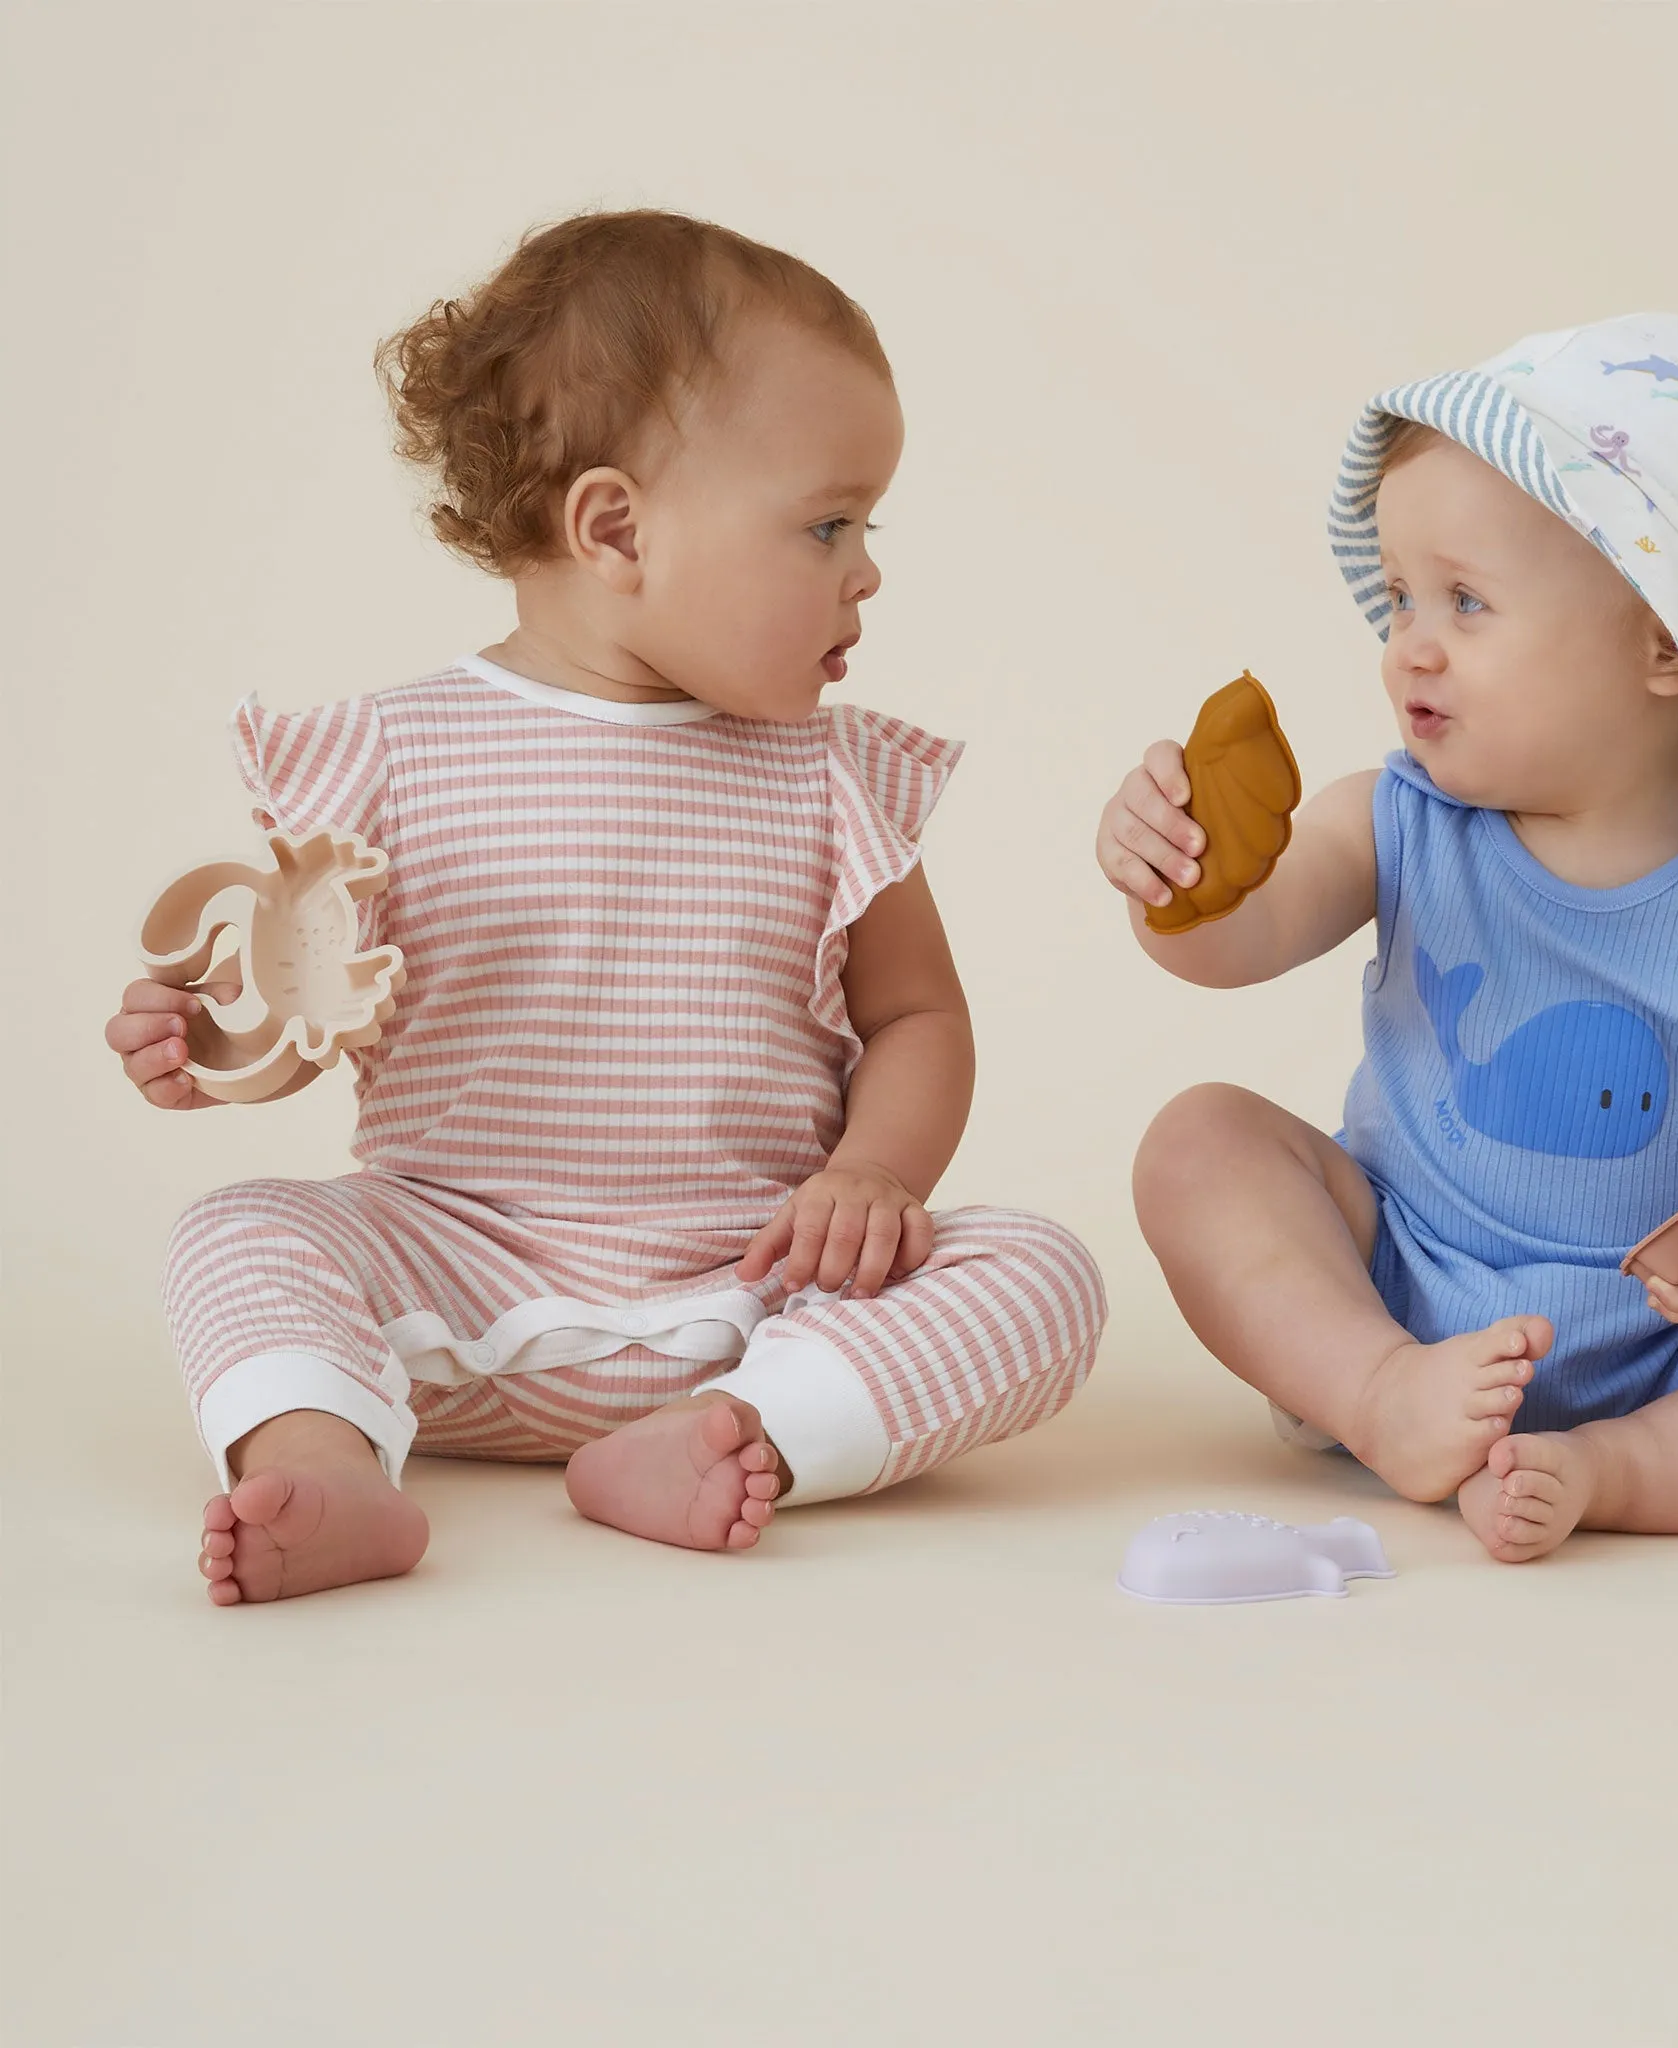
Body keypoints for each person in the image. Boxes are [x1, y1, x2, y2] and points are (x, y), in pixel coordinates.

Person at [109, 210, 1106, 1603]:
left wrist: (875, 1174)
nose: (867, 569)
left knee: (1040, 1272)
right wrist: (199, 1037)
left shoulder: (831, 776)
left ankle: (723, 1438)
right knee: (240, 1231)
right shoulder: (388, 757)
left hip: (755, 1292)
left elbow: (918, 1013)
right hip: (449, 1279)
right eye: (828, 523)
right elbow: (286, 989)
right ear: (617, 527)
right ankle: (326, 1454)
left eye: (870, 525)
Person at [1098, 313, 1678, 1561]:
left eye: (1464, 598)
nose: (1409, 641)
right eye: (1398, 596)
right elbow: (1234, 940)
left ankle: (1615, 1465)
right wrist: (1179, 880)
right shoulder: (1396, 815)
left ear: (1664, 643)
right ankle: (1374, 1391)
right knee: (1198, 1143)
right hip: (1401, 1272)